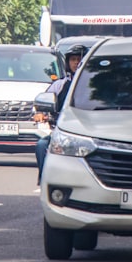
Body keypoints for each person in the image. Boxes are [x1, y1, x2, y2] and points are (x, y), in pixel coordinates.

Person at [35, 43, 86, 180]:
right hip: (61, 132)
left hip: (87, 133)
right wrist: (41, 114)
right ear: (68, 63)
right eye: (73, 60)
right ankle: (44, 180)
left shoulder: (95, 87)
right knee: (41, 146)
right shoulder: (59, 84)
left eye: (79, 59)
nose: (76, 63)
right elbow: (42, 104)